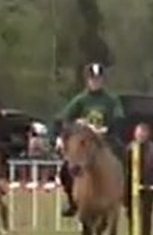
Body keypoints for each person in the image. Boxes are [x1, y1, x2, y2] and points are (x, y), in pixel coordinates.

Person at [54, 62, 126, 217]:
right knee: (66, 169)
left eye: (98, 79)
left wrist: (108, 128)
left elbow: (119, 116)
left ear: (103, 80)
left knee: (123, 156)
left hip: (105, 139)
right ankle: (72, 201)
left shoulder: (111, 99)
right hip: (85, 142)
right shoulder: (80, 100)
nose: (95, 82)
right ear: (87, 80)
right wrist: (76, 124)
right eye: (92, 79)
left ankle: (124, 193)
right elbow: (65, 117)